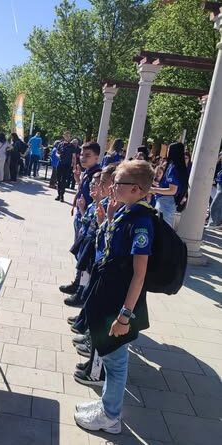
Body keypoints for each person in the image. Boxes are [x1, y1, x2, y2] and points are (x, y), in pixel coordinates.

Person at [75, 160, 155, 434]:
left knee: (116, 360)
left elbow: (139, 274)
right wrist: (107, 219)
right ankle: (107, 405)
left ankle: (111, 417)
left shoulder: (141, 221)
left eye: (118, 183)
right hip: (108, 294)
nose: (112, 187)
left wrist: (124, 317)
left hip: (120, 302)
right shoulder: (124, 211)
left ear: (136, 189)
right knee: (110, 357)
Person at [59, 142, 101, 295]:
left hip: (88, 219)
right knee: (80, 252)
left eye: (88, 155)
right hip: (81, 216)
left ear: (97, 157)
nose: (83, 158)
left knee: (84, 254)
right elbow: (83, 191)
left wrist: (82, 211)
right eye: (82, 154)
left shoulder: (97, 175)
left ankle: (81, 287)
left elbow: (96, 198)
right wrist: (78, 179)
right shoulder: (88, 172)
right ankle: (78, 283)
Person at [150, 142, 188, 228]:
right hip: (167, 201)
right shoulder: (177, 167)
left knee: (162, 229)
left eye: (169, 150)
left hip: (165, 202)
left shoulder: (173, 167)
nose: (167, 152)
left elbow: (172, 190)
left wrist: (153, 189)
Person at [55, 131, 77, 202]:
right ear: (64, 136)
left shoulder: (72, 146)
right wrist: (58, 155)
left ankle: (62, 195)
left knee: (64, 180)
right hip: (60, 164)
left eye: (69, 136)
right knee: (58, 180)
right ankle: (58, 194)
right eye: (66, 136)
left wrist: (74, 165)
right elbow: (57, 152)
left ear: (70, 137)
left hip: (67, 165)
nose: (67, 137)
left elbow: (74, 156)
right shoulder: (60, 144)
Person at [208, 153, 222, 227]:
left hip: (218, 184)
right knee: (214, 204)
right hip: (215, 185)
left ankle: (214, 222)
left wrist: (215, 180)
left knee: (215, 204)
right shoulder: (218, 164)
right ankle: (215, 222)